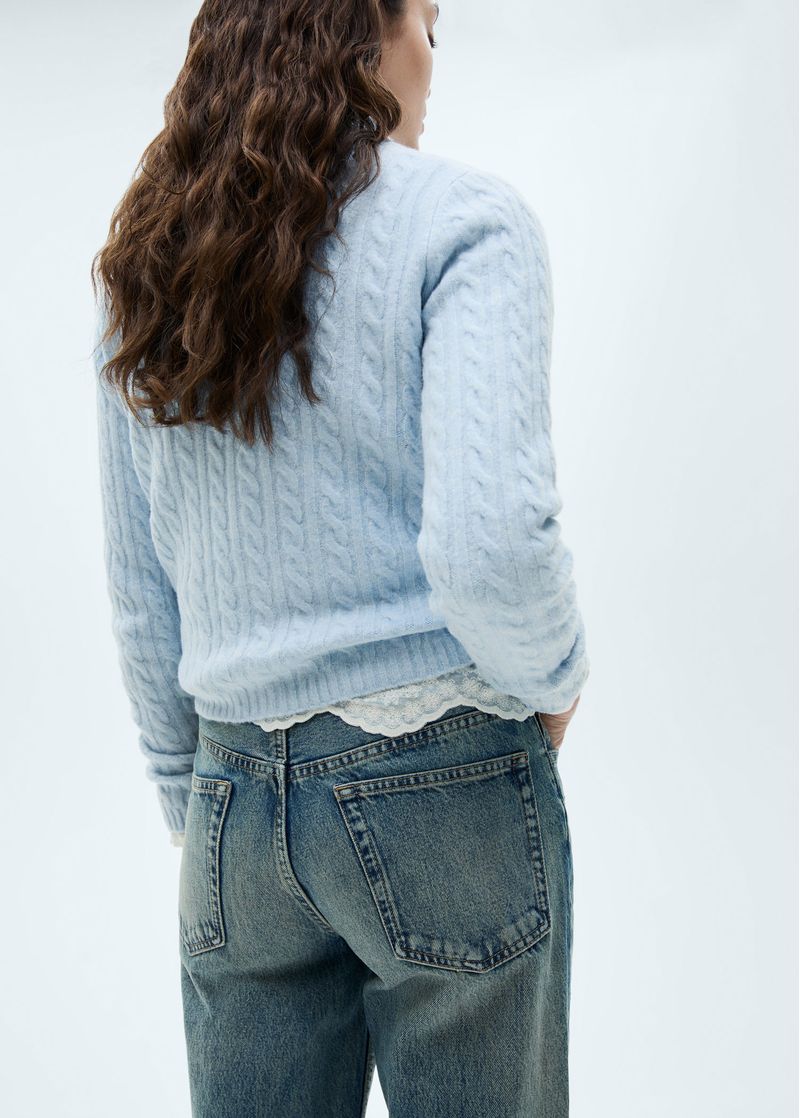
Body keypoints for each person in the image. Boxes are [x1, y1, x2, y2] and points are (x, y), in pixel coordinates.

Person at [91, 1, 589, 1114]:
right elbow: (489, 544)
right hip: (441, 777)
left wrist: (195, 802)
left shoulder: (152, 259)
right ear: (362, 30)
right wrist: (554, 678)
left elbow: (140, 594)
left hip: (230, 801)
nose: (432, 60)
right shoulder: (464, 223)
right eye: (428, 23)